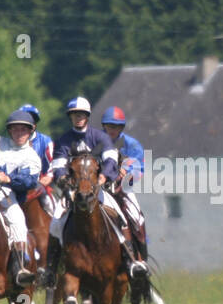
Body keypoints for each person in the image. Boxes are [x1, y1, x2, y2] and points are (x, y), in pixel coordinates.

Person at [42, 97, 147, 283]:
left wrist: (104, 176)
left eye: (81, 114)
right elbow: (58, 166)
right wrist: (64, 180)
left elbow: (110, 160)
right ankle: (50, 270)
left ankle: (135, 261)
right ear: (71, 117)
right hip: (73, 191)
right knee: (55, 222)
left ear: (88, 116)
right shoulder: (64, 140)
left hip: (99, 189)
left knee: (125, 217)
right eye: (75, 115)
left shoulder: (100, 137)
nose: (78, 118)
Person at [0, 111, 42, 287]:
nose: (19, 133)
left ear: (30, 132)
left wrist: (8, 179)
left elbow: (29, 181)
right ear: (9, 131)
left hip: (9, 195)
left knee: (17, 218)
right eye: (15, 130)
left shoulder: (31, 156)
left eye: (23, 130)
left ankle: (20, 266)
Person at [100, 106, 148, 262]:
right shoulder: (95, 143)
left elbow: (139, 169)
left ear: (122, 127)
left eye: (117, 126)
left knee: (137, 218)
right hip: (99, 191)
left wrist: (125, 174)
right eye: (110, 126)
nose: (113, 130)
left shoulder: (132, 145)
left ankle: (141, 263)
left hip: (123, 191)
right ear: (104, 126)